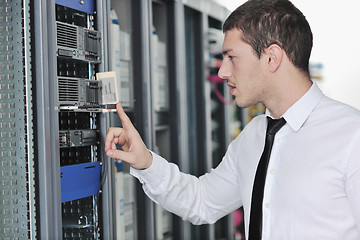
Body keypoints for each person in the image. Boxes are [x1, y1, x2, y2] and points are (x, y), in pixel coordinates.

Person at [105, 0, 360, 239]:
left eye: (231, 57)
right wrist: (145, 162)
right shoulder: (254, 135)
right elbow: (202, 202)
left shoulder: (351, 135)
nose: (222, 71)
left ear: (271, 57)